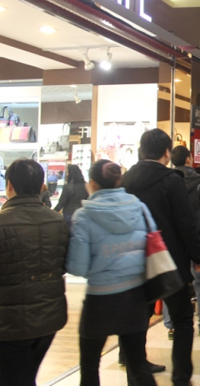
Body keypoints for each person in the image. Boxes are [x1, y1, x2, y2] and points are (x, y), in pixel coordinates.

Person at [122, 129, 200, 386]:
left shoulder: (125, 180)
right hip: (169, 260)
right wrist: (197, 255)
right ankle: (181, 378)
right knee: (182, 319)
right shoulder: (172, 180)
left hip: (134, 259)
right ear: (167, 152)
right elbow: (185, 222)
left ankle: (136, 375)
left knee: (138, 319)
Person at [66, 160, 157, 386]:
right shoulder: (139, 207)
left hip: (99, 301)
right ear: (119, 181)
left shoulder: (84, 215)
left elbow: (78, 267)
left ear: (92, 183)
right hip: (135, 297)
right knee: (138, 365)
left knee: (89, 367)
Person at [0, 159, 69, 386]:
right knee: (25, 374)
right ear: (41, 186)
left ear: (9, 185)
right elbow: (64, 264)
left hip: (9, 323)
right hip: (49, 317)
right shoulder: (58, 222)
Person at [163, 146, 200, 339]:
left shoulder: (165, 180)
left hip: (170, 240)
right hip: (194, 237)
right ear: (189, 159)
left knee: (172, 282)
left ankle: (172, 325)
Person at [55, 164, 89, 230]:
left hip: (69, 213)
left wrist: (54, 212)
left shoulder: (67, 186)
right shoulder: (86, 185)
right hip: (82, 213)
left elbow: (62, 202)